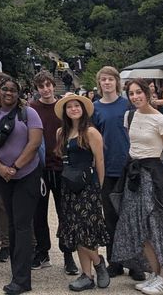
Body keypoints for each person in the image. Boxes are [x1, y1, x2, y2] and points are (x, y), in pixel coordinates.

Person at [111, 79, 163, 295]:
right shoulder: (129, 116)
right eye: (131, 93)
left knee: (159, 226)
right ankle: (155, 274)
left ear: (148, 94)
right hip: (134, 174)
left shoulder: (160, 120)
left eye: (139, 92)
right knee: (140, 227)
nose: (135, 96)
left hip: (154, 174)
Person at [0, 74, 43, 295]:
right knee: (11, 222)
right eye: (5, 90)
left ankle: (22, 279)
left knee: (22, 225)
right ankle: (17, 272)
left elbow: (34, 142)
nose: (8, 93)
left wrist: (15, 167)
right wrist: (0, 168)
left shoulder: (29, 114)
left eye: (13, 90)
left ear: (19, 94)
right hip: (3, 176)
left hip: (26, 174)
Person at [54, 94, 109, 292]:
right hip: (69, 185)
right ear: (65, 111)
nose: (74, 109)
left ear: (83, 109)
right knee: (74, 230)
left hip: (88, 186)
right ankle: (87, 274)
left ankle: (97, 262)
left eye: (77, 106)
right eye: (70, 107)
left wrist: (99, 186)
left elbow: (100, 160)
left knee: (86, 229)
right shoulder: (61, 132)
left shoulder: (91, 132)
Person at [91, 65, 141, 281]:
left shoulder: (128, 104)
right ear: (99, 83)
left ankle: (136, 263)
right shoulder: (94, 108)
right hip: (105, 168)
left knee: (131, 217)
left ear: (117, 82)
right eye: (103, 79)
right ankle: (115, 261)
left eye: (111, 79)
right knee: (110, 218)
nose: (107, 83)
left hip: (128, 167)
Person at [30, 71, 76, 274]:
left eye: (49, 85)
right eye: (42, 86)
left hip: (61, 166)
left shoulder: (62, 107)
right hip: (39, 167)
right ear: (37, 88)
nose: (46, 89)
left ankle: (68, 255)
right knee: (38, 213)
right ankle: (42, 251)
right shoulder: (32, 108)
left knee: (64, 212)